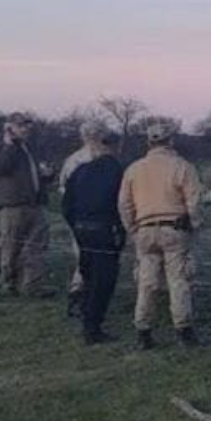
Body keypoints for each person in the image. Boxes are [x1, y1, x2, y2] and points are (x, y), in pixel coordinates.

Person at [119, 120, 204, 349]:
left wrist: (132, 228)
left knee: (146, 282)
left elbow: (124, 203)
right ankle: (183, 330)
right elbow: (194, 200)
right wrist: (195, 224)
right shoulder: (182, 166)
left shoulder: (133, 169)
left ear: (148, 142)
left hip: (145, 229)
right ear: (171, 141)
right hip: (174, 228)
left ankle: (143, 330)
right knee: (178, 280)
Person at [61, 127, 125, 345]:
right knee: (103, 280)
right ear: (115, 147)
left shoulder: (80, 170)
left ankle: (86, 317)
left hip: (82, 229)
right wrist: (123, 230)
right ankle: (93, 328)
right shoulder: (119, 171)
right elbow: (124, 204)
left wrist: (76, 226)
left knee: (87, 275)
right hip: (105, 230)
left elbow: (67, 205)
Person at [0, 114, 52, 296]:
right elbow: (3, 168)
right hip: (14, 206)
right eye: (20, 126)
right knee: (11, 247)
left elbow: (36, 176)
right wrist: (9, 144)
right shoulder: (3, 149)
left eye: (27, 126)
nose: (25, 129)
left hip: (35, 205)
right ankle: (9, 284)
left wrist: (47, 174)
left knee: (37, 247)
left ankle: (33, 285)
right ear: (9, 128)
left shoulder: (30, 150)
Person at [57, 120, 110, 317]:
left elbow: (63, 189)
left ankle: (79, 295)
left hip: (77, 217)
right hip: (97, 218)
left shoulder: (71, 160)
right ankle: (81, 297)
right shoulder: (102, 159)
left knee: (83, 256)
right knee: (93, 259)